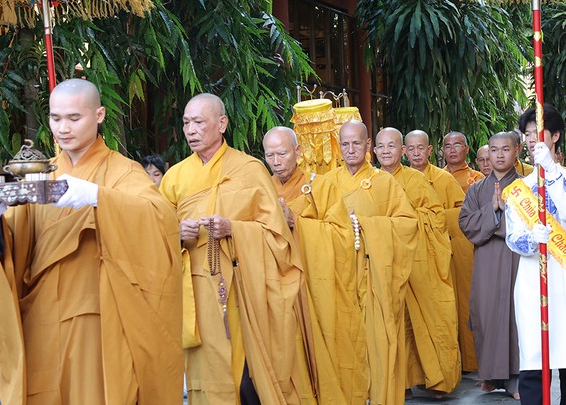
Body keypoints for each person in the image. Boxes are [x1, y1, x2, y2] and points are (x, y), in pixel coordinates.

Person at [0, 78, 183, 404]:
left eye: (75, 118)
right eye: (56, 118)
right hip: (41, 317)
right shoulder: (42, 176)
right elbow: (14, 251)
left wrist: (99, 197)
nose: (63, 128)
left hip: (93, 318)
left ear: (99, 115)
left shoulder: (123, 173)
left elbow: (159, 220)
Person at [160, 94, 302, 404]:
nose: (191, 130)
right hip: (193, 290)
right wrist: (175, 233)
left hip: (239, 290)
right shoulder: (174, 177)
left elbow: (278, 236)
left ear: (222, 124)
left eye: (199, 122)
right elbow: (154, 235)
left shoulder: (249, 170)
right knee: (202, 371)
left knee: (242, 373)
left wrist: (234, 229)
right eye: (186, 123)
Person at [263, 126, 368, 404]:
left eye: (282, 153)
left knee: (323, 348)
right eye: (269, 155)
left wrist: (295, 224)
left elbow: (343, 234)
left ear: (298, 152)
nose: (276, 161)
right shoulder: (260, 190)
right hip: (274, 288)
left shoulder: (321, 187)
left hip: (315, 288)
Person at [506, 104, 566, 405]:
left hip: (565, 275)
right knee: (534, 352)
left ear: (555, 135)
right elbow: (512, 238)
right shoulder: (517, 189)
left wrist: (551, 170)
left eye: (539, 133)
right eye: (528, 134)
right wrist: (531, 240)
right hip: (532, 279)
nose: (533, 140)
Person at [324, 120, 418, 405]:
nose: (350, 149)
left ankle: (378, 395)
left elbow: (407, 224)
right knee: (342, 339)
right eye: (345, 144)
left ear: (368, 146)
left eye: (356, 143)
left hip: (374, 276)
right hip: (337, 276)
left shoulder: (384, 182)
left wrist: (364, 225)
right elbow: (310, 226)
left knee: (376, 341)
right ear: (338, 147)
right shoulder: (325, 183)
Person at [374, 127, 460, 398]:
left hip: (416, 260)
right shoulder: (369, 181)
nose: (386, 151)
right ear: (374, 151)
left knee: (425, 318)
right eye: (381, 147)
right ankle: (398, 381)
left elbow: (436, 217)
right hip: (381, 261)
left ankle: (433, 378)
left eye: (392, 146)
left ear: (402, 151)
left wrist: (405, 220)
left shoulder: (416, 179)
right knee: (390, 320)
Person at [404, 130, 474, 372]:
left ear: (429, 150)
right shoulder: (396, 179)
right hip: (410, 255)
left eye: (420, 148)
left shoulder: (443, 180)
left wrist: (429, 220)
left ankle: (455, 363)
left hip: (442, 251)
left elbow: (461, 214)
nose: (415, 153)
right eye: (410, 148)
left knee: (447, 308)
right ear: (404, 151)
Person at [459, 132, 521, 398]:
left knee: (515, 315)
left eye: (504, 149)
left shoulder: (525, 187)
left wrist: (496, 219)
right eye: (493, 150)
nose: (498, 155)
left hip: (518, 260)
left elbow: (529, 225)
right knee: (485, 314)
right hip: (485, 261)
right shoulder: (476, 189)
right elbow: (465, 223)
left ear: (517, 150)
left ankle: (517, 379)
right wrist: (493, 211)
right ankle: (491, 376)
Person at [441, 130, 483, 371]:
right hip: (440, 243)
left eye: (458, 145)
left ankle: (473, 359)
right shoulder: (434, 177)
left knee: (468, 300)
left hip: (467, 244)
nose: (453, 150)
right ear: (441, 151)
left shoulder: (476, 178)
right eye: (448, 146)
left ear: (467, 150)